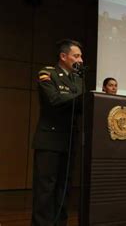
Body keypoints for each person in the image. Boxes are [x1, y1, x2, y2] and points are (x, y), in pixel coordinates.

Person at [32, 39, 83, 226]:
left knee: (64, 188)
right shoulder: (47, 74)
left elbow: (79, 104)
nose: (81, 59)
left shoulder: (78, 79)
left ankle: (60, 223)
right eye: (76, 56)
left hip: (69, 139)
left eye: (81, 56)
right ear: (63, 56)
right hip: (50, 139)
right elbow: (54, 99)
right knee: (46, 188)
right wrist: (78, 99)